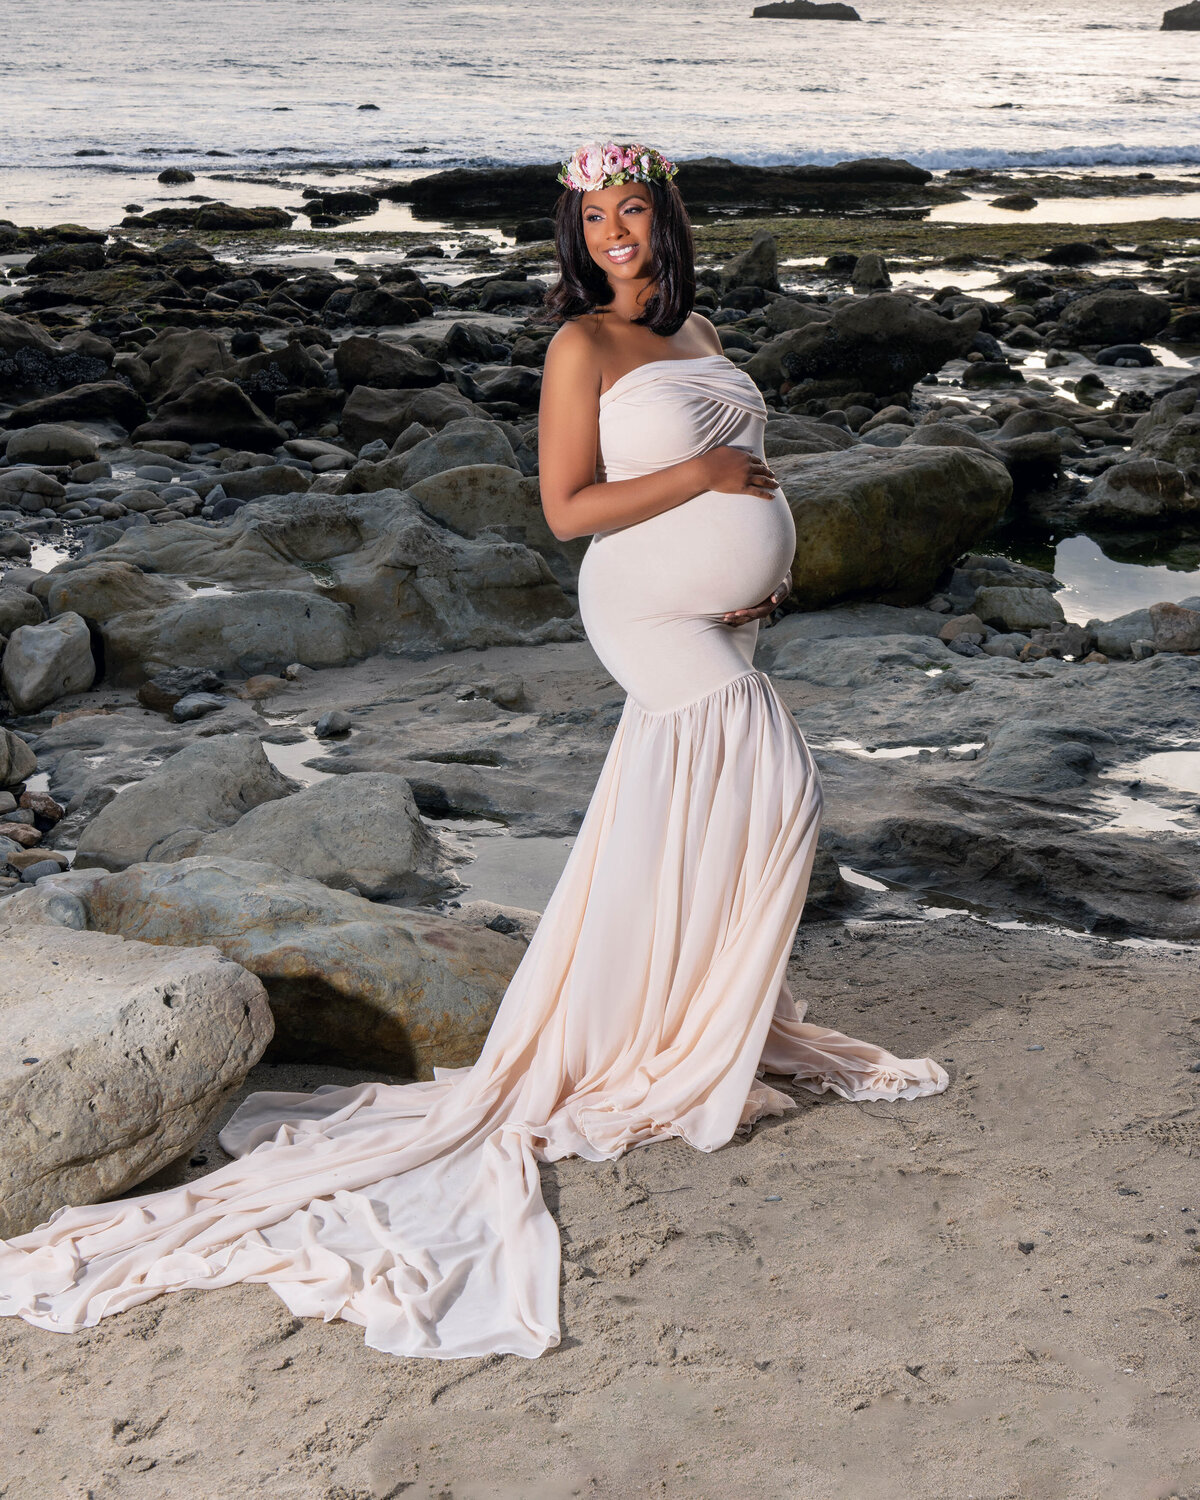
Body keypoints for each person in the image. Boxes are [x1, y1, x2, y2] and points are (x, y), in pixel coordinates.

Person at [0, 142, 948, 1362]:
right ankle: (677, 1036)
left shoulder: (701, 328)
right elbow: (567, 510)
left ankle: (682, 1022)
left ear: (667, 220)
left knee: (687, 813)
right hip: (646, 612)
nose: (618, 233)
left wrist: (750, 562)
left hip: (717, 618)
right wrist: (712, 478)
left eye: (635, 211)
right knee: (779, 790)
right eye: (597, 216)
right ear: (576, 232)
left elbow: (726, 477)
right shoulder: (583, 345)